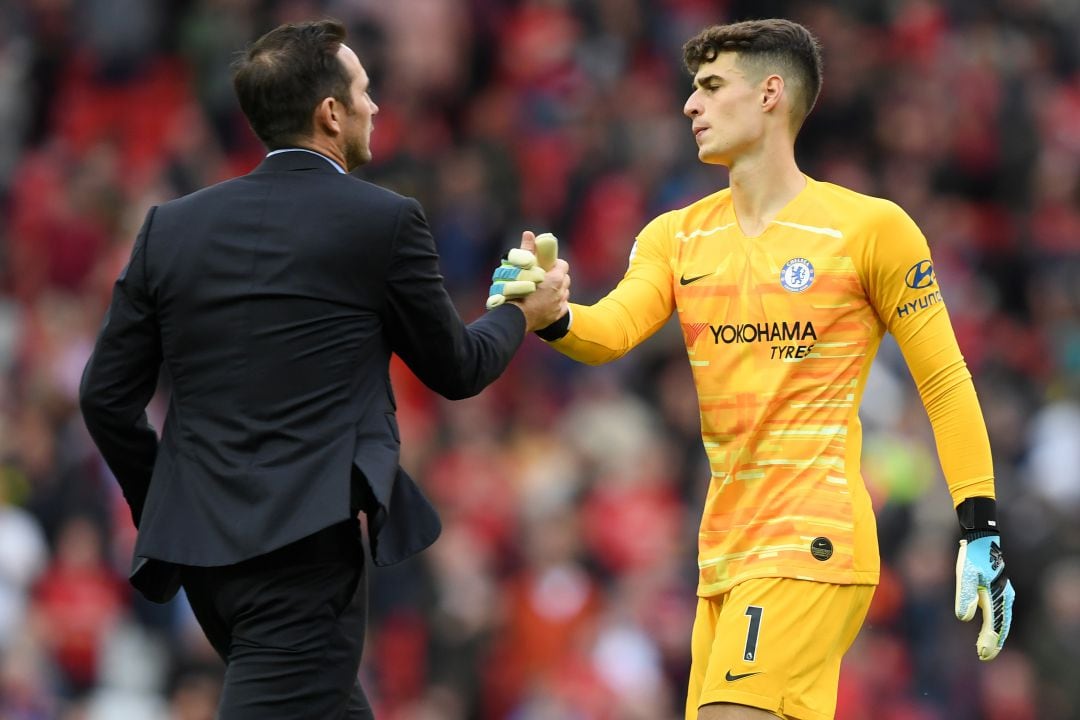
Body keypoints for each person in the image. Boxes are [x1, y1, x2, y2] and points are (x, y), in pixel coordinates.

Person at [78, 19, 568, 720]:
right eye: (365, 91)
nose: (376, 107)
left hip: (208, 560)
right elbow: (459, 368)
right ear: (330, 112)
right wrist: (523, 309)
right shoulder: (382, 221)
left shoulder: (171, 227)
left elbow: (104, 399)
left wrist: (169, 502)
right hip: (302, 550)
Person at [527, 18, 1014, 720]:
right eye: (692, 89)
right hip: (723, 551)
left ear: (770, 96)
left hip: (812, 537)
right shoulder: (676, 236)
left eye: (711, 86)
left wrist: (980, 527)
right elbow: (610, 332)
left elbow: (942, 379)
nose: (690, 104)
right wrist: (554, 316)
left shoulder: (869, 230)